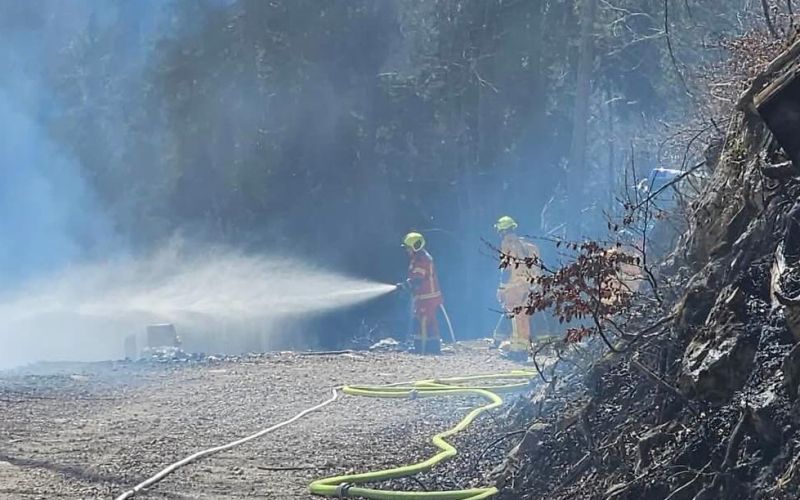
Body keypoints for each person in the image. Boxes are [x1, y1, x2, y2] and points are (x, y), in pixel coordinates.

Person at [494, 216, 541, 361]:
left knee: (515, 318)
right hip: (530, 287)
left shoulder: (507, 245)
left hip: (514, 288)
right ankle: (522, 349)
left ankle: (517, 351)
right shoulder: (530, 246)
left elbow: (506, 269)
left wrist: (501, 289)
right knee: (524, 318)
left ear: (502, 231)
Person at [402, 232, 443, 354]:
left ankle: (424, 349)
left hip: (428, 298)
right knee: (423, 322)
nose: (407, 250)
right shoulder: (419, 258)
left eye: (408, 247)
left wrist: (406, 285)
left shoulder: (422, 259)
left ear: (415, 246)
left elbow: (418, 279)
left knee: (424, 322)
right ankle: (426, 348)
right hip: (424, 297)